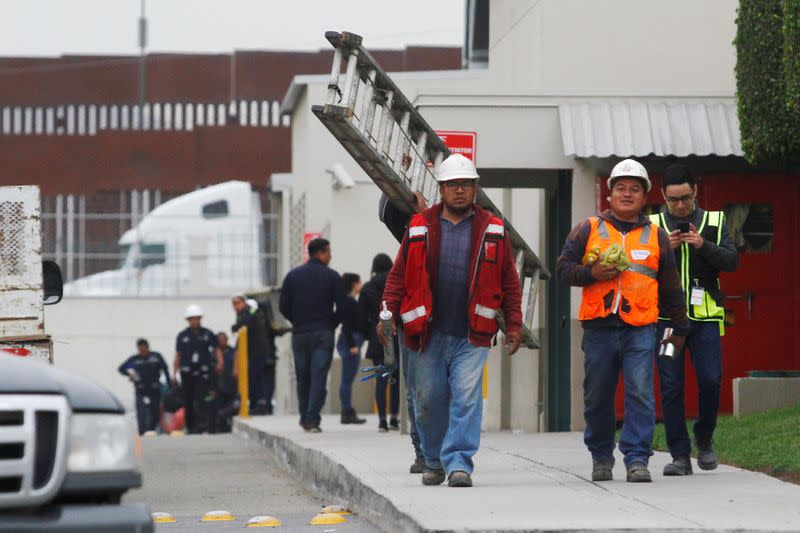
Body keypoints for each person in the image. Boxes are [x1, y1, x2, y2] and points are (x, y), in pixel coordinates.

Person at [382, 154, 523, 488]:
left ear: (475, 189)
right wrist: (386, 314)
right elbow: (398, 276)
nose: (460, 191)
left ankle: (459, 463)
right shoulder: (419, 226)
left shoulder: (493, 229)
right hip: (424, 333)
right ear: (442, 190)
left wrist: (513, 324)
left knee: (467, 397)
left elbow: (509, 281)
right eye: (453, 185)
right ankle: (433, 459)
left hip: (471, 334)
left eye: (466, 185)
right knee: (427, 399)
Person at [556, 158, 690, 483]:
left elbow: (671, 286)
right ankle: (601, 455)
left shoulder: (657, 236)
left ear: (645, 197)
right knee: (597, 396)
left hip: (641, 328)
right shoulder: (587, 228)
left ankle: (637, 459)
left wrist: (680, 327)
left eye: (634, 189)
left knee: (641, 392)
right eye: (620, 188)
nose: (627, 194)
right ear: (609, 194)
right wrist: (592, 273)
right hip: (599, 328)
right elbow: (562, 269)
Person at [650, 163, 739, 475]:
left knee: (710, 379)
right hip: (668, 321)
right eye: (673, 199)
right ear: (663, 195)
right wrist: (664, 249)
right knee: (671, 385)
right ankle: (679, 455)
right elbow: (642, 270)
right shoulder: (653, 224)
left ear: (696, 191)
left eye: (685, 198)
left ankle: (704, 439)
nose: (679, 206)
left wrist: (704, 246)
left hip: (705, 321)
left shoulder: (715, 220)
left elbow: (732, 261)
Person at [378, 192, 429, 473]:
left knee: (443, 392)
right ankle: (423, 451)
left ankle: (437, 451)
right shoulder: (409, 240)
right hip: (414, 327)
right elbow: (385, 210)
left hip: (442, 325)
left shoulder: (444, 231)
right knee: (415, 391)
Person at [279, 238, 346, 432]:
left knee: (303, 376)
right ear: (322, 253)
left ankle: (304, 416)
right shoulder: (332, 276)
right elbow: (342, 307)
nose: (331, 256)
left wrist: (297, 321)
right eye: (329, 252)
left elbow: (283, 307)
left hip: (300, 334)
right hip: (323, 333)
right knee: (318, 375)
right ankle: (312, 418)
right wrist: (330, 324)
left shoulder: (292, 276)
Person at [359, 254, 400, 432]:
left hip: (376, 337)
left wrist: (368, 334)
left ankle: (382, 420)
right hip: (396, 334)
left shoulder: (367, 288)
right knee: (397, 380)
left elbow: (360, 317)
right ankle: (394, 418)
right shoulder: (394, 283)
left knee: (381, 379)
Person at [173, 305, 223, 434]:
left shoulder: (207, 333)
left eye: (197, 318)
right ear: (188, 320)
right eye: (192, 319)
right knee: (188, 401)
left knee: (202, 399)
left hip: (203, 372)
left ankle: (203, 425)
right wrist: (174, 373)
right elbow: (178, 355)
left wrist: (220, 363)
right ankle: (191, 427)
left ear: (200, 319)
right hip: (186, 373)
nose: (195, 321)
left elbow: (217, 349)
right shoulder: (182, 335)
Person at [231, 295, 274, 415]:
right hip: (252, 353)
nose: (236, 306)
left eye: (238, 303)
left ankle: (259, 405)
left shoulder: (250, 311)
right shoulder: (247, 313)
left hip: (257, 353)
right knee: (253, 380)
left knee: (256, 380)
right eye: (234, 304)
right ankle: (256, 404)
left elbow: (243, 323)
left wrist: (235, 327)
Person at [118, 338, 170, 435]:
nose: (142, 351)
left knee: (155, 411)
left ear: (147, 347)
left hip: (154, 388)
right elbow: (121, 368)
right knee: (141, 411)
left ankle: (152, 429)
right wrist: (130, 374)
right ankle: (142, 432)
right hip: (141, 389)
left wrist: (169, 384)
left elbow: (165, 369)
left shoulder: (156, 357)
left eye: (144, 349)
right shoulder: (135, 359)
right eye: (140, 349)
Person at [337, 273, 367, 424]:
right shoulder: (349, 302)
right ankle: (346, 411)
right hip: (350, 342)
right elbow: (347, 325)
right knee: (347, 379)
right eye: (359, 281)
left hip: (350, 341)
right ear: (355, 284)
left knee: (347, 379)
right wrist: (352, 345)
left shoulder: (348, 301)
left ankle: (347, 411)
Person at [216, 331, 239, 432]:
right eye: (220, 340)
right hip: (218, 387)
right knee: (219, 410)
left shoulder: (233, 351)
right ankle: (221, 429)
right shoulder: (214, 353)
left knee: (230, 408)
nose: (222, 342)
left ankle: (229, 427)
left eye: (224, 339)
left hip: (232, 386)